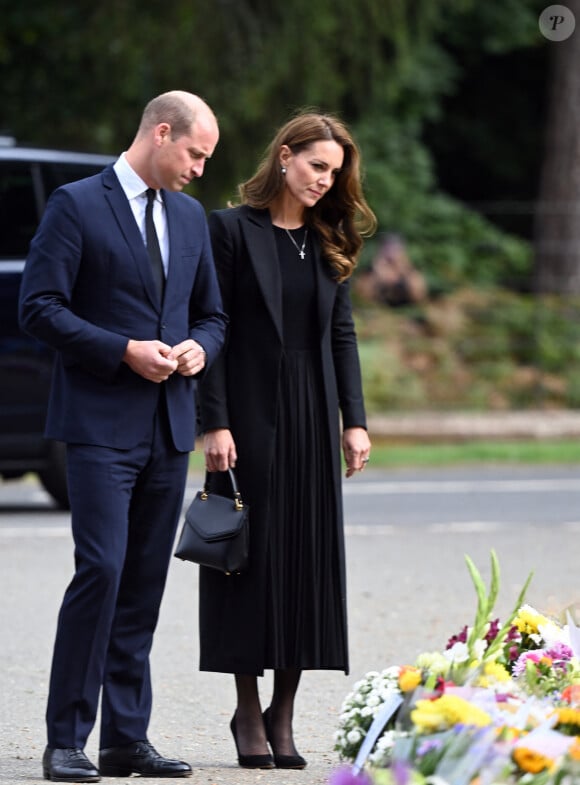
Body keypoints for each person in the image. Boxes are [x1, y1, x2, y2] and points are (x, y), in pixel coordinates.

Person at [19, 91, 226, 782]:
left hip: (168, 427)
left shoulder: (192, 218)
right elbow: (39, 309)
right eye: (195, 153)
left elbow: (213, 315)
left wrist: (199, 346)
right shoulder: (76, 204)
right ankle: (66, 738)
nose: (200, 168)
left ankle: (125, 739)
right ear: (161, 133)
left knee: (142, 581)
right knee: (101, 570)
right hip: (98, 425)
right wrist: (122, 349)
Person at [197, 110, 376, 770]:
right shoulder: (229, 230)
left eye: (336, 172)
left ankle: (285, 710)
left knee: (306, 556)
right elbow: (209, 327)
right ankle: (247, 706)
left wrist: (353, 418)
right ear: (284, 156)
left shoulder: (331, 238)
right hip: (245, 411)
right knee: (246, 554)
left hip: (311, 410)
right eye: (317, 166)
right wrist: (212, 422)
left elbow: (343, 333)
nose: (326, 181)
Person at [355, 233, 427, 307]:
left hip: (406, 306)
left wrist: (404, 271)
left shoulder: (408, 269)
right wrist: (379, 274)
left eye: (395, 248)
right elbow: (362, 293)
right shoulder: (374, 268)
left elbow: (419, 294)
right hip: (379, 307)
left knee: (415, 280)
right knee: (366, 281)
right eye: (388, 248)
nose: (391, 252)